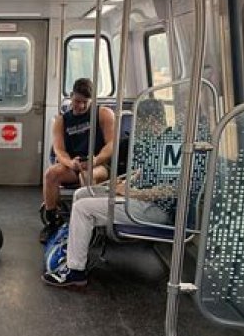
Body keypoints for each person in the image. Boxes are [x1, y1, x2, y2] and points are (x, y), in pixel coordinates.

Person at [41, 99, 176, 287]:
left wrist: (130, 193)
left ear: (152, 121)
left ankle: (75, 271)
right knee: (82, 194)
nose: (137, 128)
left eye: (139, 123)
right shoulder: (156, 143)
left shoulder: (171, 147)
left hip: (154, 209)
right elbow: (144, 174)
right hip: (139, 198)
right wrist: (124, 182)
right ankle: (80, 250)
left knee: (82, 208)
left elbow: (170, 191)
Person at [40, 77, 115, 243]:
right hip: (74, 164)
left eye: (84, 102)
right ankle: (52, 222)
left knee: (86, 176)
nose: (80, 106)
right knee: (51, 174)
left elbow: (111, 144)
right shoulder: (61, 121)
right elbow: (59, 150)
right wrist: (70, 163)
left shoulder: (103, 114)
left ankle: (89, 224)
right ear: (71, 96)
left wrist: (95, 160)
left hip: (99, 165)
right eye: (77, 101)